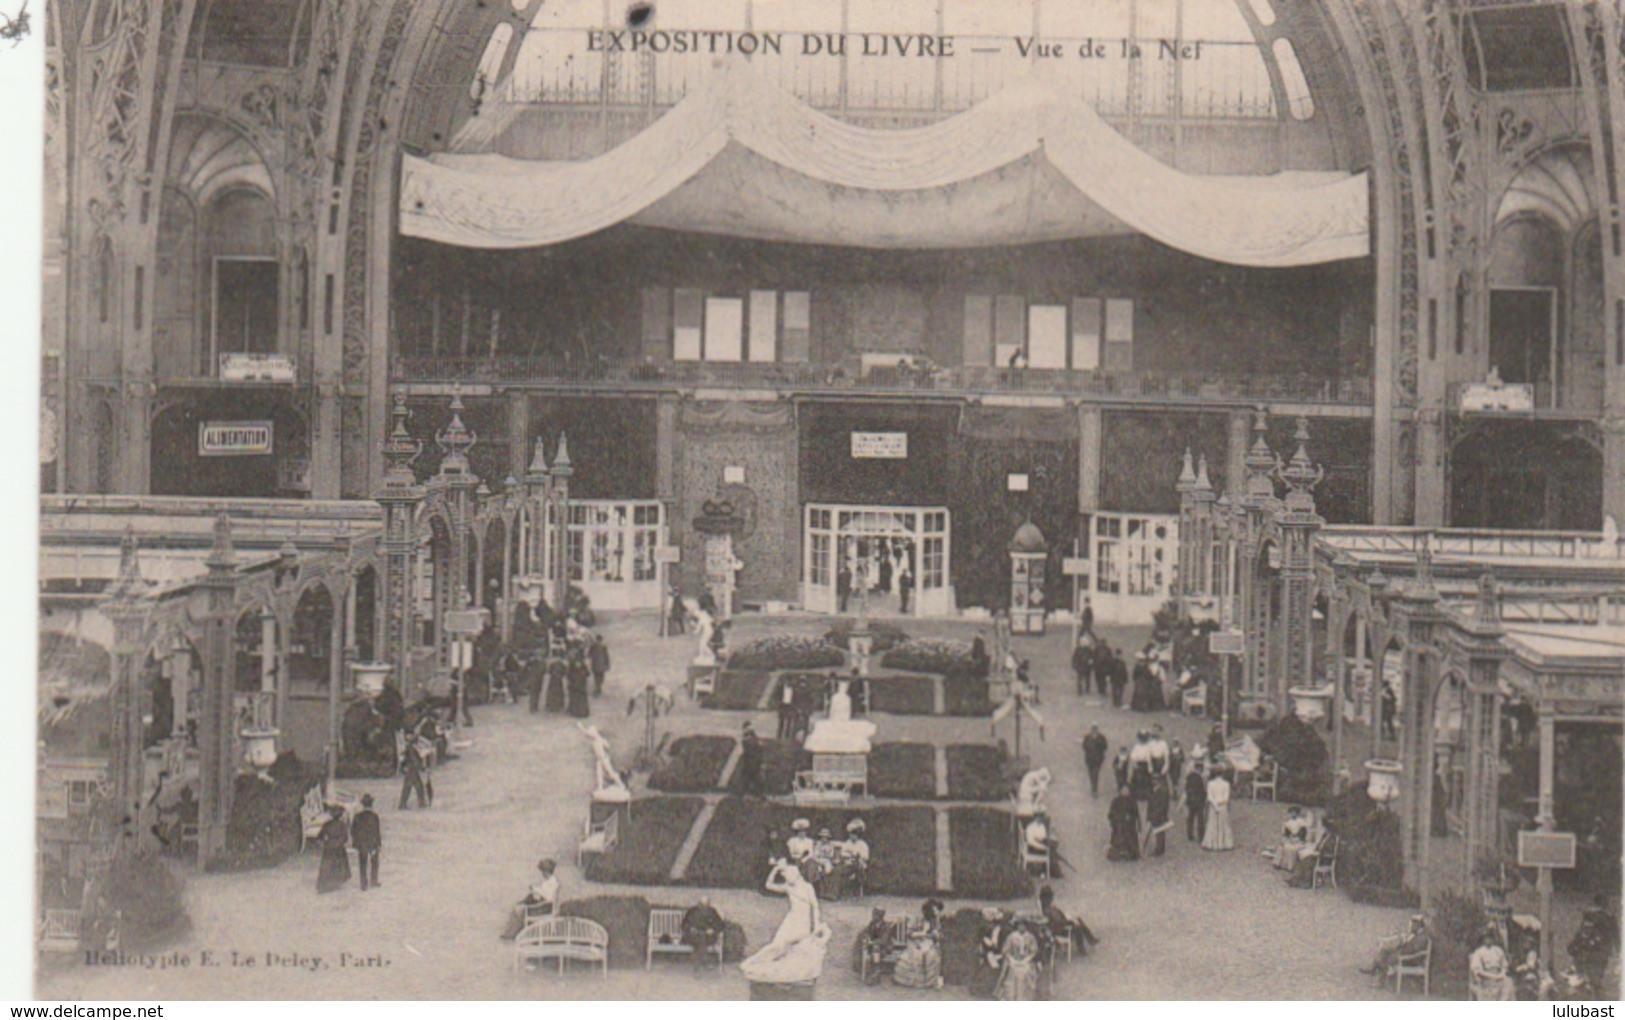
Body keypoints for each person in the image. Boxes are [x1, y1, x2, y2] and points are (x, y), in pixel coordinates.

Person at [1568, 896, 1620, 996]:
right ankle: (1595, 993)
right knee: (1596, 977)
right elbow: (1616, 935)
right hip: (1602, 951)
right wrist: (1618, 950)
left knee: (1586, 975)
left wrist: (1573, 945)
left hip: (1586, 950)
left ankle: (1588, 990)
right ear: (1606, 904)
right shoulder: (1609, 918)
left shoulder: (1588, 916)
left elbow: (1581, 932)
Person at [892, 899, 944, 990]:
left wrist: (936, 934)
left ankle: (928, 982)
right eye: (934, 911)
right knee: (918, 955)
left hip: (928, 942)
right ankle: (916, 982)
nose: (936, 914)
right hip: (914, 942)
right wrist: (922, 934)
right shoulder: (916, 918)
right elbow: (909, 934)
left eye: (937, 912)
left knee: (931, 955)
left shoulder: (935, 921)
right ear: (928, 911)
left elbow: (939, 935)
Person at [1362, 914, 1431, 984]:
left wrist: (1401, 945)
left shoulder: (1421, 937)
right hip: (1404, 954)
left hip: (1410, 959)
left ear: (1418, 925)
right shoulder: (1416, 934)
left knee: (1386, 957)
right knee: (1385, 951)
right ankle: (1374, 968)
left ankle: (1378, 976)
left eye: (1413, 925)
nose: (1411, 927)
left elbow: (1412, 950)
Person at [501, 859, 560, 939]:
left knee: (518, 910)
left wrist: (536, 890)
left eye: (543, 872)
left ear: (547, 872)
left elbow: (548, 898)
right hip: (542, 904)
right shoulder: (549, 881)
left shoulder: (552, 883)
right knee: (517, 907)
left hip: (543, 907)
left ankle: (511, 934)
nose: (542, 874)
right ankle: (511, 932)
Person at [1037, 884, 1099, 958]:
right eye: (1050, 897)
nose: (1052, 899)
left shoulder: (1049, 908)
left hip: (1060, 925)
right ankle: (1081, 948)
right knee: (1077, 925)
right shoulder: (1048, 910)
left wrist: (1067, 917)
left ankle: (1091, 939)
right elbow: (1058, 921)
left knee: (1078, 919)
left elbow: (1059, 916)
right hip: (1059, 929)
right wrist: (1070, 921)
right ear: (1047, 898)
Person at [996, 922, 1042, 1000]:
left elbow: (1033, 951)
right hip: (1013, 960)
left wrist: (1026, 960)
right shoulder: (1011, 936)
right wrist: (1012, 959)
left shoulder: (1030, 937)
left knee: (1026, 971)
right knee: (1012, 971)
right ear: (1017, 926)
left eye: (1023, 925)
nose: (1021, 927)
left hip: (1026, 961)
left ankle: (1025, 997)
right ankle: (1010, 996)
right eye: (1020, 925)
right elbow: (1006, 951)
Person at [1469, 927, 1516, 1000]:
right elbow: (1478, 971)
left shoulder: (1498, 950)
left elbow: (1504, 966)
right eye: (1486, 938)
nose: (1488, 940)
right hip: (1486, 978)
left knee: (1508, 981)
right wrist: (1492, 976)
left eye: (1490, 938)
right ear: (1483, 939)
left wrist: (1502, 974)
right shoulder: (1478, 952)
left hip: (1499, 976)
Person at [972, 908, 1009, 998]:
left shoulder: (1003, 931)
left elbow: (1002, 945)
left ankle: (993, 990)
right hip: (988, 952)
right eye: (994, 922)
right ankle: (981, 989)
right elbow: (981, 941)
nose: (994, 924)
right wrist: (985, 943)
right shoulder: (987, 930)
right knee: (988, 965)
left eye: (998, 922)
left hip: (999, 953)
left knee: (995, 966)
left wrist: (998, 951)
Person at [681, 896, 726, 967]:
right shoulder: (692, 911)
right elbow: (684, 924)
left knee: (702, 939)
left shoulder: (712, 912)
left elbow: (720, 925)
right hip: (693, 936)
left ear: (708, 904)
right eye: (702, 904)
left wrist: (713, 930)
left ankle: (697, 962)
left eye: (706, 904)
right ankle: (703, 961)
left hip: (708, 937)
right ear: (699, 903)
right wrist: (691, 929)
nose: (703, 906)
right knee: (701, 939)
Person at [315, 805, 351, 894]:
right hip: (338, 847)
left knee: (327, 865)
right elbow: (345, 838)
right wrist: (340, 842)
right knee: (338, 865)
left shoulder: (327, 824)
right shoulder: (342, 825)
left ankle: (325, 884)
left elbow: (320, 836)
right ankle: (336, 882)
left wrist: (324, 842)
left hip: (329, 846)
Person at [351, 794, 382, 891]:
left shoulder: (357, 816)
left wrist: (356, 841)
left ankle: (363, 883)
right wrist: (378, 844)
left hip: (361, 843)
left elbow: (353, 831)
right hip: (372, 843)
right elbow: (377, 831)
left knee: (362, 863)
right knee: (374, 862)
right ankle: (374, 880)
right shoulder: (374, 816)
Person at [1202, 768, 1234, 851]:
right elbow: (1226, 798)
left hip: (1213, 806)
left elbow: (1209, 797)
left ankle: (1212, 843)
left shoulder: (1210, 784)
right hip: (1223, 806)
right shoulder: (1226, 784)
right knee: (1223, 824)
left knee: (1212, 824)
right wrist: (1220, 804)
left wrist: (1215, 804)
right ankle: (1224, 843)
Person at [1107, 785, 1141, 862]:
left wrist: (1132, 819)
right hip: (1119, 825)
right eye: (1124, 790)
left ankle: (1131, 852)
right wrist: (1117, 820)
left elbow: (1136, 814)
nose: (1125, 792)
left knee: (1130, 838)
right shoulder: (1116, 801)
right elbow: (1111, 814)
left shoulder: (1132, 801)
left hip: (1130, 826)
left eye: (1127, 790)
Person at [1273, 806, 1312, 872]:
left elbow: (1302, 836)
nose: (1293, 814)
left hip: (1299, 841)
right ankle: (1278, 864)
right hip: (1291, 840)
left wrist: (1295, 838)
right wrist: (1285, 839)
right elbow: (1286, 835)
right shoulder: (1288, 823)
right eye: (1291, 813)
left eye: (1294, 813)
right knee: (1281, 846)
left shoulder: (1301, 822)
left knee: (1290, 848)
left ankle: (1290, 867)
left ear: (1297, 813)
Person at [1024, 812, 1061, 878]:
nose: (1039, 819)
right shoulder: (1031, 827)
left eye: (1041, 817)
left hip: (1040, 846)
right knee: (1050, 852)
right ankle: (1046, 871)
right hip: (1032, 847)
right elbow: (1030, 841)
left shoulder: (1042, 826)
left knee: (1052, 848)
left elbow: (1043, 837)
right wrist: (1042, 847)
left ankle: (1050, 870)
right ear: (1035, 818)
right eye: (1038, 817)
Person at [398, 734, 430, 810]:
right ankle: (404, 804)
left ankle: (405, 803)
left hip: (411, 769)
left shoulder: (408, 748)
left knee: (414, 787)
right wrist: (422, 767)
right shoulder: (411, 749)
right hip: (412, 770)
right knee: (413, 787)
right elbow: (415, 760)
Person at [1146, 776, 1171, 857]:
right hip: (1154, 813)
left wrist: (1156, 814)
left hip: (1159, 815)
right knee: (1158, 832)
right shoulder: (1154, 790)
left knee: (1159, 831)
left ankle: (1160, 849)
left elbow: (1163, 805)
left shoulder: (1163, 791)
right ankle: (1159, 847)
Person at [737, 721, 764, 797]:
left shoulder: (748, 739)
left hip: (751, 761)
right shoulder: (752, 738)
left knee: (750, 778)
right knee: (751, 778)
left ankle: (746, 793)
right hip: (751, 761)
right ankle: (755, 794)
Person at [1184, 762, 1208, 843]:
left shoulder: (1189, 777)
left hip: (1190, 800)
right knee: (1200, 819)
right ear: (1200, 769)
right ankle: (1201, 836)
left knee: (1190, 818)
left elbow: (1186, 789)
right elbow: (1202, 790)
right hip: (1199, 801)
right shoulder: (1200, 778)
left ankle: (1190, 834)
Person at [1082, 725, 1108, 798]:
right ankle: (1093, 787)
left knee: (1095, 774)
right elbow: (1084, 746)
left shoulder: (1101, 738)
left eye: (1095, 729)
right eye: (1092, 729)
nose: (1094, 731)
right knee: (1091, 774)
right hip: (1089, 759)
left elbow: (1105, 747)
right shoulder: (1087, 737)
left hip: (1098, 760)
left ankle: (1094, 790)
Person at [588, 632, 611, 697]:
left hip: (595, 664)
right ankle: (598, 688)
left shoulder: (593, 646)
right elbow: (606, 656)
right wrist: (607, 665)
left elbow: (589, 655)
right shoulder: (603, 646)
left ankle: (597, 688)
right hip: (602, 665)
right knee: (601, 677)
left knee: (596, 677)